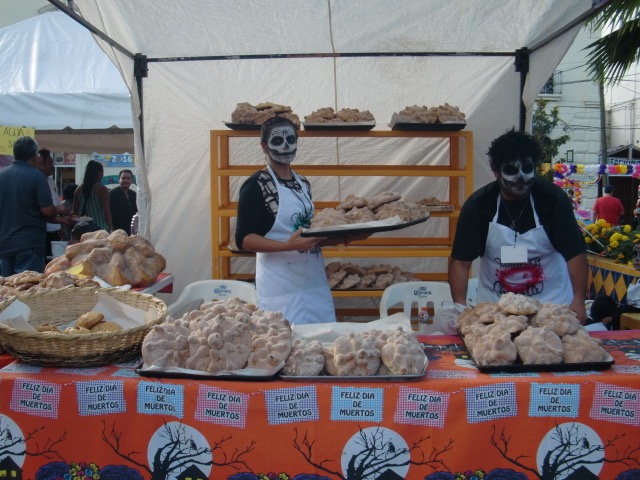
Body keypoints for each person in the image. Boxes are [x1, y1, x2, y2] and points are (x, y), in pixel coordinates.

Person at [448, 129, 588, 322]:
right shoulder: (479, 206)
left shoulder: (553, 200)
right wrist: (460, 307)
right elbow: (461, 262)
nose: (521, 177)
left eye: (527, 168)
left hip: (551, 308)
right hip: (496, 312)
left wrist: (579, 300)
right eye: (511, 170)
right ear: (495, 171)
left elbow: (575, 254)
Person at [235, 117, 345, 325]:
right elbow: (244, 238)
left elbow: (306, 231)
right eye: (277, 141)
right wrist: (287, 245)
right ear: (263, 146)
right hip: (280, 289)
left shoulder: (302, 182)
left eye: (291, 139)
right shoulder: (256, 185)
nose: (286, 146)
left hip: (314, 285)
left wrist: (342, 237)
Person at [0, 137, 73, 275]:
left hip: (4, 244)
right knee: (27, 289)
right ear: (35, 157)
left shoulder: (2, 175)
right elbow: (47, 212)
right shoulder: (36, 176)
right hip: (29, 244)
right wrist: (57, 210)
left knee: (6, 291)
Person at [73, 160, 112, 234]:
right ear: (99, 173)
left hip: (81, 229)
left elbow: (75, 212)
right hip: (99, 230)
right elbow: (107, 212)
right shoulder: (102, 189)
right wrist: (111, 228)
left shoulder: (78, 189)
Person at [38, 149, 62, 257]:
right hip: (43, 232)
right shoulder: (37, 181)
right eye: (50, 163)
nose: (52, 166)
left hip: (55, 230)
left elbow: (56, 205)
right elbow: (46, 210)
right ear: (40, 164)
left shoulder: (52, 182)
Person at [109, 169, 138, 234]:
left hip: (132, 231)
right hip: (117, 232)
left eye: (128, 178)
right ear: (119, 179)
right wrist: (111, 229)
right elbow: (109, 213)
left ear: (131, 180)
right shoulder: (112, 194)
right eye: (123, 178)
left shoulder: (134, 194)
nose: (126, 180)